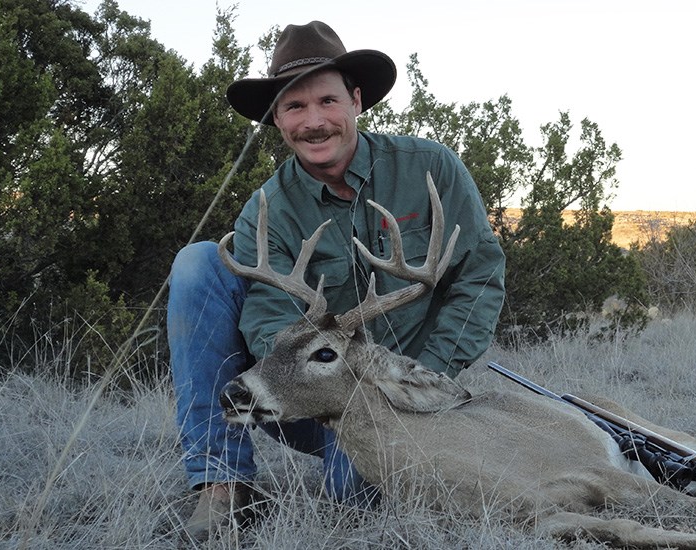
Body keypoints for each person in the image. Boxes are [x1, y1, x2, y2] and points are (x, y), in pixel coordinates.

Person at [167, 21, 506, 539]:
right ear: (278, 120)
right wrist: (316, 380)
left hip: (406, 395)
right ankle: (220, 484)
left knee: (353, 498)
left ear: (355, 101)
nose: (314, 121)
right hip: (314, 395)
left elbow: (479, 276)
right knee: (198, 263)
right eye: (295, 107)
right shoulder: (269, 209)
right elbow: (267, 316)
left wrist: (423, 377)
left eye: (327, 101)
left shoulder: (430, 168)